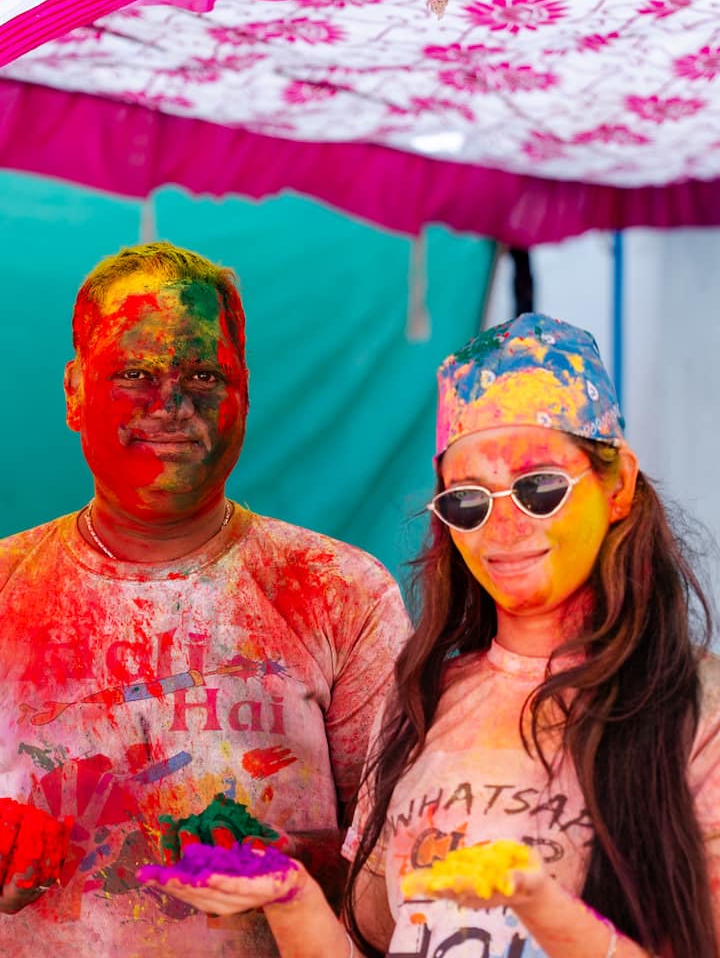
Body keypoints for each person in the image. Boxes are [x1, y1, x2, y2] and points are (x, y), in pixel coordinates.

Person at [159, 312, 720, 958]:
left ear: (617, 485)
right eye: (468, 501)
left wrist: (538, 904)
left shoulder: (699, 708)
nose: (503, 528)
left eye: (538, 489)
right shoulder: (419, 701)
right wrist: (290, 896)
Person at [0, 240, 409, 956]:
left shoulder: (338, 591)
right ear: (74, 392)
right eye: (134, 374)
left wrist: (284, 867)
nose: (171, 404)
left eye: (202, 374)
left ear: (244, 392)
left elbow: (401, 880)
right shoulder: (7, 589)